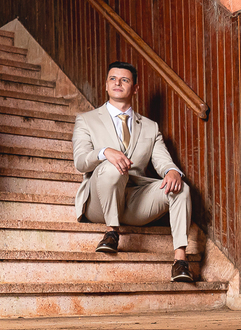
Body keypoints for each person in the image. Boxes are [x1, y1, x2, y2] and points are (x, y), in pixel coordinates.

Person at [71, 61, 194, 283]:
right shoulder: (86, 120)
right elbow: (80, 162)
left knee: (181, 187)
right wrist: (104, 152)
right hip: (99, 200)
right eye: (113, 79)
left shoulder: (150, 127)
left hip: (134, 201)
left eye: (124, 80)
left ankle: (180, 260)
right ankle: (111, 232)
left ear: (135, 88)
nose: (118, 83)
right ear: (106, 85)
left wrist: (173, 171)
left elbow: (163, 161)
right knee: (112, 167)